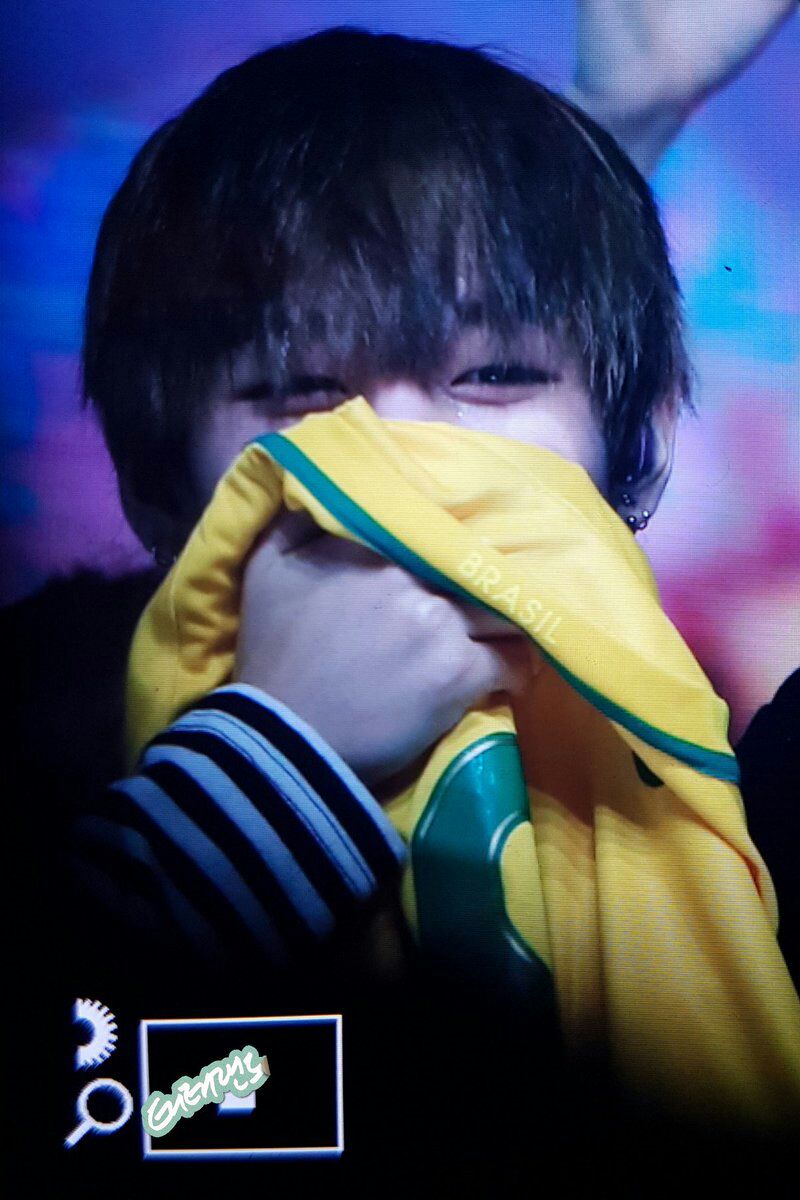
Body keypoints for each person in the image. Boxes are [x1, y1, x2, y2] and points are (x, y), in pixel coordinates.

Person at [6, 3, 798, 1188]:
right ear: (159, 491)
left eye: (493, 375)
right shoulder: (41, 760)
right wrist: (282, 750)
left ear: (631, 455)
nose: (401, 456)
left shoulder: (752, 818)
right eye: (297, 389)